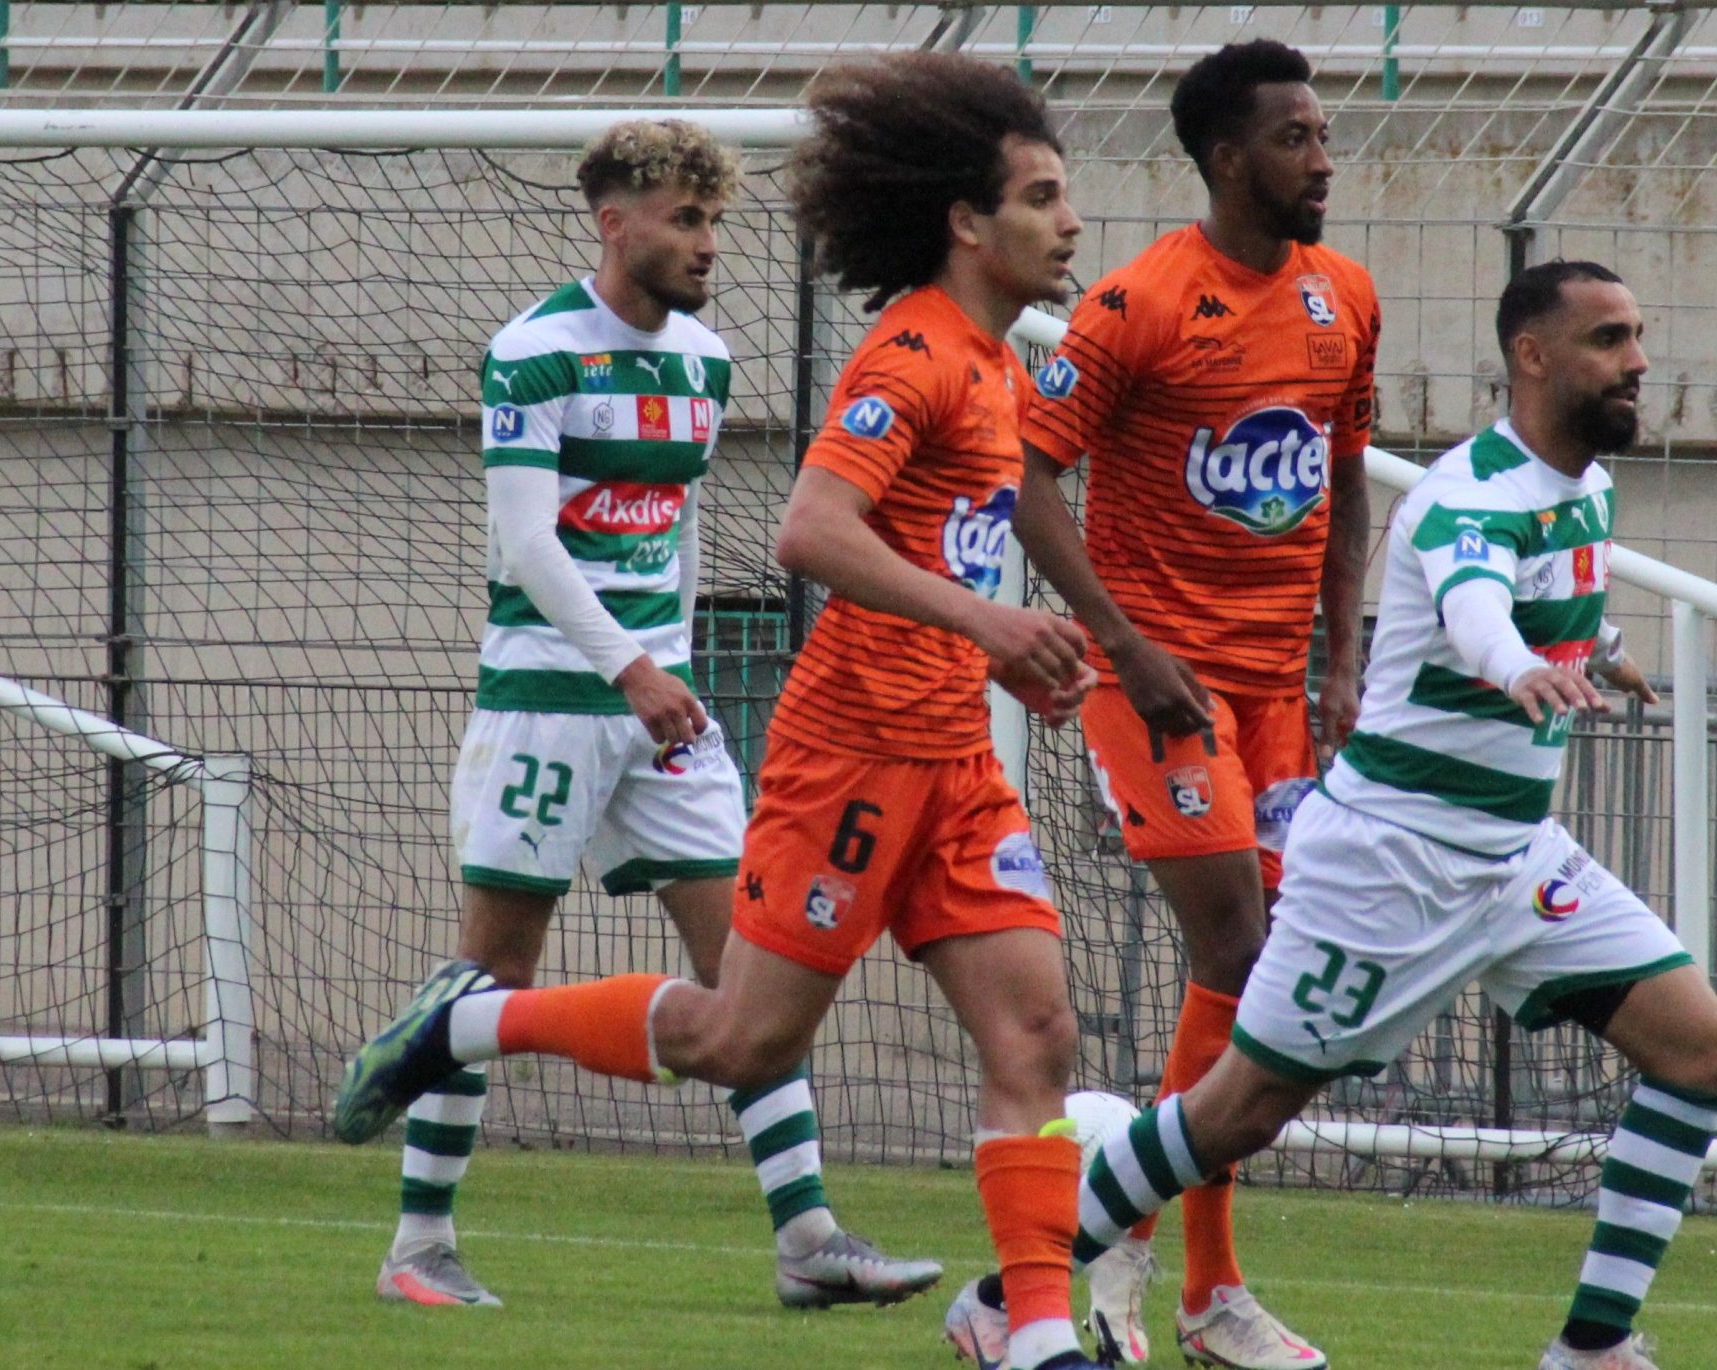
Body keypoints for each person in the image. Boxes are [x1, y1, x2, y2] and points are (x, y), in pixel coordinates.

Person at [336, 54, 1115, 1370]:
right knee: (735, 1029)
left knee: (1037, 1028)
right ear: (967, 221)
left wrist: (1004, 657)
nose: (1072, 223)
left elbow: (896, 548)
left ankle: (1020, 1327)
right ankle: (456, 1066)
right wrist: (988, 625)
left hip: (922, 751)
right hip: (759, 734)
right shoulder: (906, 356)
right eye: (1042, 197)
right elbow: (807, 531)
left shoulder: (967, 366)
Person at [1062, 261, 1717, 1370]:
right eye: (1609, 340)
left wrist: (1601, 652)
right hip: (1391, 862)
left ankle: (1591, 1345)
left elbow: (1542, 588)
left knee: (1704, 1051)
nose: (1637, 362)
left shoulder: (1582, 485)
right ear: (1531, 355)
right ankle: (1012, 1285)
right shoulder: (1467, 493)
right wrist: (1516, 667)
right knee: (1239, 1112)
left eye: (1637, 335)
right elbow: (1478, 607)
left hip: (1513, 857)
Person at [373, 116, 939, 1312]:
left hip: (661, 704)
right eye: (685, 219)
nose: (707, 242)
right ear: (613, 222)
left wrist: (667, 665)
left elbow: (673, 531)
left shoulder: (702, 362)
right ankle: (418, 1244)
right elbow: (527, 545)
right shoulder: (532, 350)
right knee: (493, 972)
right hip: (547, 699)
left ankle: (807, 1239)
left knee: (748, 969)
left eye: (714, 219)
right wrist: (630, 666)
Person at [1010, 39, 1377, 1366]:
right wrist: (1119, 639)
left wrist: (1342, 658)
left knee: (1256, 969)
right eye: (1294, 139)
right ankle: (1181, 1271)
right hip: (1156, 683)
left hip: (1278, 695)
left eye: (1322, 135)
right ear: (1227, 159)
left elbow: (1341, 478)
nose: (1322, 160)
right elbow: (1025, 479)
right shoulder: (1139, 303)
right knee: (1237, 944)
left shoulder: (1345, 295)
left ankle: (1158, 1250)